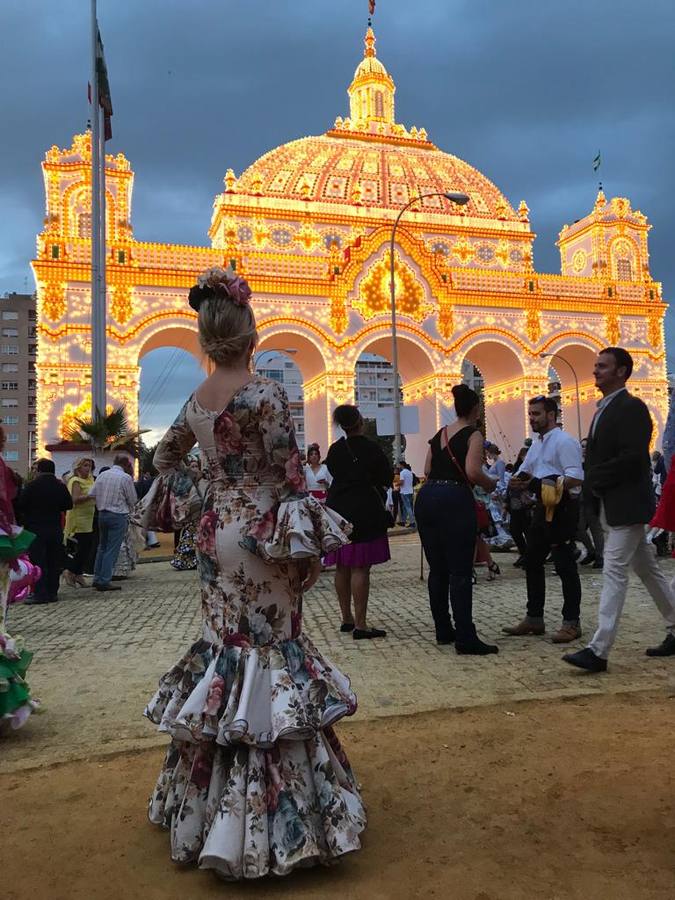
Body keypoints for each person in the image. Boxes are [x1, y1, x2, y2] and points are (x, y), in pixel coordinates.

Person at [145, 266, 363, 877]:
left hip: (219, 534)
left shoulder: (196, 400)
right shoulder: (266, 393)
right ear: (249, 332)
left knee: (225, 651)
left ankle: (206, 809)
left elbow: (164, 459)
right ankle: (277, 817)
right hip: (265, 536)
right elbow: (294, 476)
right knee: (271, 652)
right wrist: (309, 553)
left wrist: (210, 491)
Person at [563, 347, 675, 673]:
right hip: (612, 503)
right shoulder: (603, 409)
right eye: (596, 365)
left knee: (614, 571)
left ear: (622, 371)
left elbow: (633, 457)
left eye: (603, 366)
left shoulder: (632, 408)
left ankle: (599, 649)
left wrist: (592, 477)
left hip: (627, 502)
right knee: (647, 570)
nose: (595, 371)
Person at [414, 384, 499, 654]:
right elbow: (473, 471)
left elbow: (427, 469)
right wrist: (490, 484)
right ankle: (465, 635)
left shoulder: (439, 434)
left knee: (437, 569)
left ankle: (443, 628)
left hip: (427, 498)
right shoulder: (474, 434)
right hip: (454, 498)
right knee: (460, 570)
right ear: (476, 409)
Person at [502, 397, 584, 643]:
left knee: (565, 566)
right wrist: (519, 479)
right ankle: (534, 617)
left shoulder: (565, 441)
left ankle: (571, 622)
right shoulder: (537, 444)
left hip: (562, 509)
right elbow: (525, 470)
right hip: (540, 509)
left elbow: (576, 477)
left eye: (536, 413)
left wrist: (542, 483)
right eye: (530, 413)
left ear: (551, 414)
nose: (532, 418)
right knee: (532, 561)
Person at [324, 404, 392, 639]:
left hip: (339, 509)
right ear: (360, 422)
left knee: (342, 566)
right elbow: (385, 476)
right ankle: (361, 625)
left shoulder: (335, 449)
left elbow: (332, 471)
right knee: (360, 567)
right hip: (365, 508)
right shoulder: (371, 448)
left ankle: (346, 618)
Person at [20, 458, 73, 606]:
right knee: (53, 560)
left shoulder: (32, 486)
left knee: (38, 561)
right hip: (55, 527)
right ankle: (52, 592)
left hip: (36, 527)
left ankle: (40, 593)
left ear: (40, 470)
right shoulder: (60, 486)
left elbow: (21, 505)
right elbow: (68, 504)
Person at [88, 454, 137, 592]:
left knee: (102, 547)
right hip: (118, 515)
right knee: (112, 549)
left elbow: (92, 493)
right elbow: (132, 499)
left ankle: (97, 577)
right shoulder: (125, 478)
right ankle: (104, 580)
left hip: (102, 514)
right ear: (126, 464)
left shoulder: (102, 475)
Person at [62, 457, 96, 587]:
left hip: (89, 517)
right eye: (85, 465)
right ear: (78, 467)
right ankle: (69, 570)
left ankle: (78, 573)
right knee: (80, 548)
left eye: (90, 466)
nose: (88, 468)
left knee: (87, 548)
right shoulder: (75, 480)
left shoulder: (91, 480)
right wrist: (91, 495)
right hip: (78, 518)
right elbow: (75, 499)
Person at [170, 456, 201, 571]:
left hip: (201, 515)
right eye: (192, 466)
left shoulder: (203, 480)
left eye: (196, 466)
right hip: (191, 516)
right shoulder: (186, 482)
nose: (194, 468)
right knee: (189, 539)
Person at [398, 461, 416, 528]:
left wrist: (397, 484)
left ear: (402, 465)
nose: (399, 466)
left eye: (399, 465)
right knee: (405, 507)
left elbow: (402, 482)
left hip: (404, 492)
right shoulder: (410, 472)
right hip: (410, 491)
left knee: (407, 507)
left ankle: (412, 522)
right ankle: (403, 520)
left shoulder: (402, 473)